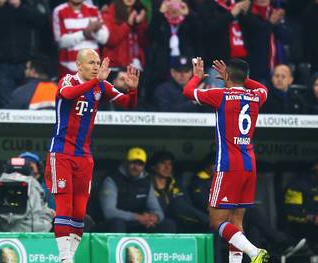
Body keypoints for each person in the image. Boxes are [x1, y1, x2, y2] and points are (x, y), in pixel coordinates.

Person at [45, 49, 139, 263]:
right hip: (61, 153)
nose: (96, 66)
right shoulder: (67, 80)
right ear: (78, 65)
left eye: (98, 62)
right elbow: (68, 95)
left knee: (79, 212)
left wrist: (133, 91)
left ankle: (71, 256)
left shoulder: (102, 85)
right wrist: (96, 80)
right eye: (91, 62)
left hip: (84, 155)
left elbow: (127, 104)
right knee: (64, 207)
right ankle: (64, 257)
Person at [183, 58, 269, 263]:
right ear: (246, 77)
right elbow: (262, 87)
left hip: (228, 166)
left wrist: (196, 77)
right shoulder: (257, 96)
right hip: (250, 165)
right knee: (236, 220)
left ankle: (254, 251)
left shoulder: (220, 95)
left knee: (216, 221)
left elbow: (188, 92)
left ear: (226, 76)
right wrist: (239, 78)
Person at [99, 147, 175, 233]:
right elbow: (109, 212)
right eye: (133, 163)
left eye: (140, 164)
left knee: (168, 224)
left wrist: (155, 217)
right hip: (116, 223)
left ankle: (158, 247)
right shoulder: (112, 180)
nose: (136, 167)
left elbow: (157, 209)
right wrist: (137, 217)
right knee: (118, 223)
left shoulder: (146, 182)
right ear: (126, 162)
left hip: (139, 223)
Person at [149, 150, 209, 233]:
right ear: (153, 166)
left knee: (178, 204)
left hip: (181, 223)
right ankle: (208, 221)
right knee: (173, 212)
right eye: (163, 163)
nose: (167, 167)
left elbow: (188, 206)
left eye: (169, 164)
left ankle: (209, 222)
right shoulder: (146, 185)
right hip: (157, 223)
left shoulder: (178, 185)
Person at [53, 0, 109, 78]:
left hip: (93, 72)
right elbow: (60, 42)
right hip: (69, 72)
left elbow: (104, 39)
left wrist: (95, 31)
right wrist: (84, 33)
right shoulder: (59, 11)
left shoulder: (93, 10)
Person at [282, 160, 318, 254]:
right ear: (315, 167)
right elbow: (292, 214)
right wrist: (313, 218)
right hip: (302, 228)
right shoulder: (297, 185)